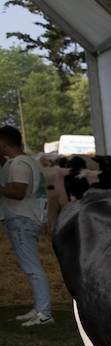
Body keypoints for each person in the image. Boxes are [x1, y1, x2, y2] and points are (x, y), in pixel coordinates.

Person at [0, 125, 53, 327]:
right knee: (31, 267)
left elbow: (19, 192)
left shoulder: (19, 165)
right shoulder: (27, 161)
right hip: (26, 219)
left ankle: (44, 313)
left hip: (21, 220)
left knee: (32, 268)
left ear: (3, 143)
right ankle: (40, 308)